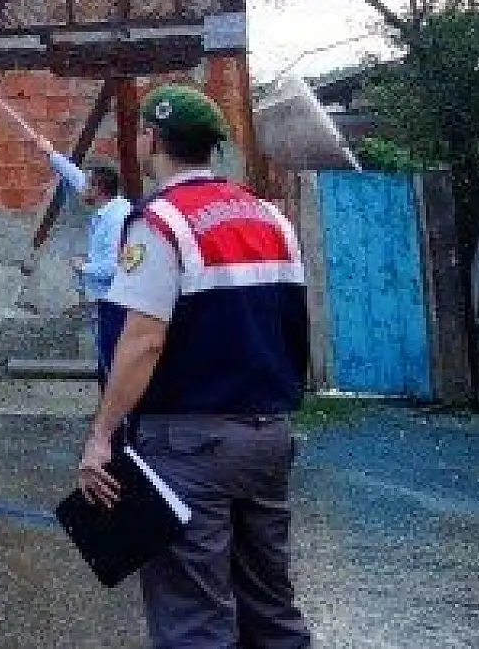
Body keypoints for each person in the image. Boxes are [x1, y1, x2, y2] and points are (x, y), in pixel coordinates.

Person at [77, 85, 311, 649]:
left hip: (188, 442)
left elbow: (143, 342)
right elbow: (293, 325)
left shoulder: (158, 223)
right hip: (268, 431)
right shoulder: (268, 216)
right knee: (271, 608)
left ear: (151, 139)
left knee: (194, 617)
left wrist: (102, 434)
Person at [37, 139, 132, 381]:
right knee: (107, 366)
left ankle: (118, 417)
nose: (82, 188)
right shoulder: (108, 206)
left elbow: (115, 266)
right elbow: (77, 178)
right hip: (105, 302)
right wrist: (51, 154)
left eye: (88, 184)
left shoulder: (116, 218)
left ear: (98, 188)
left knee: (113, 369)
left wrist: (84, 267)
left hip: (114, 305)